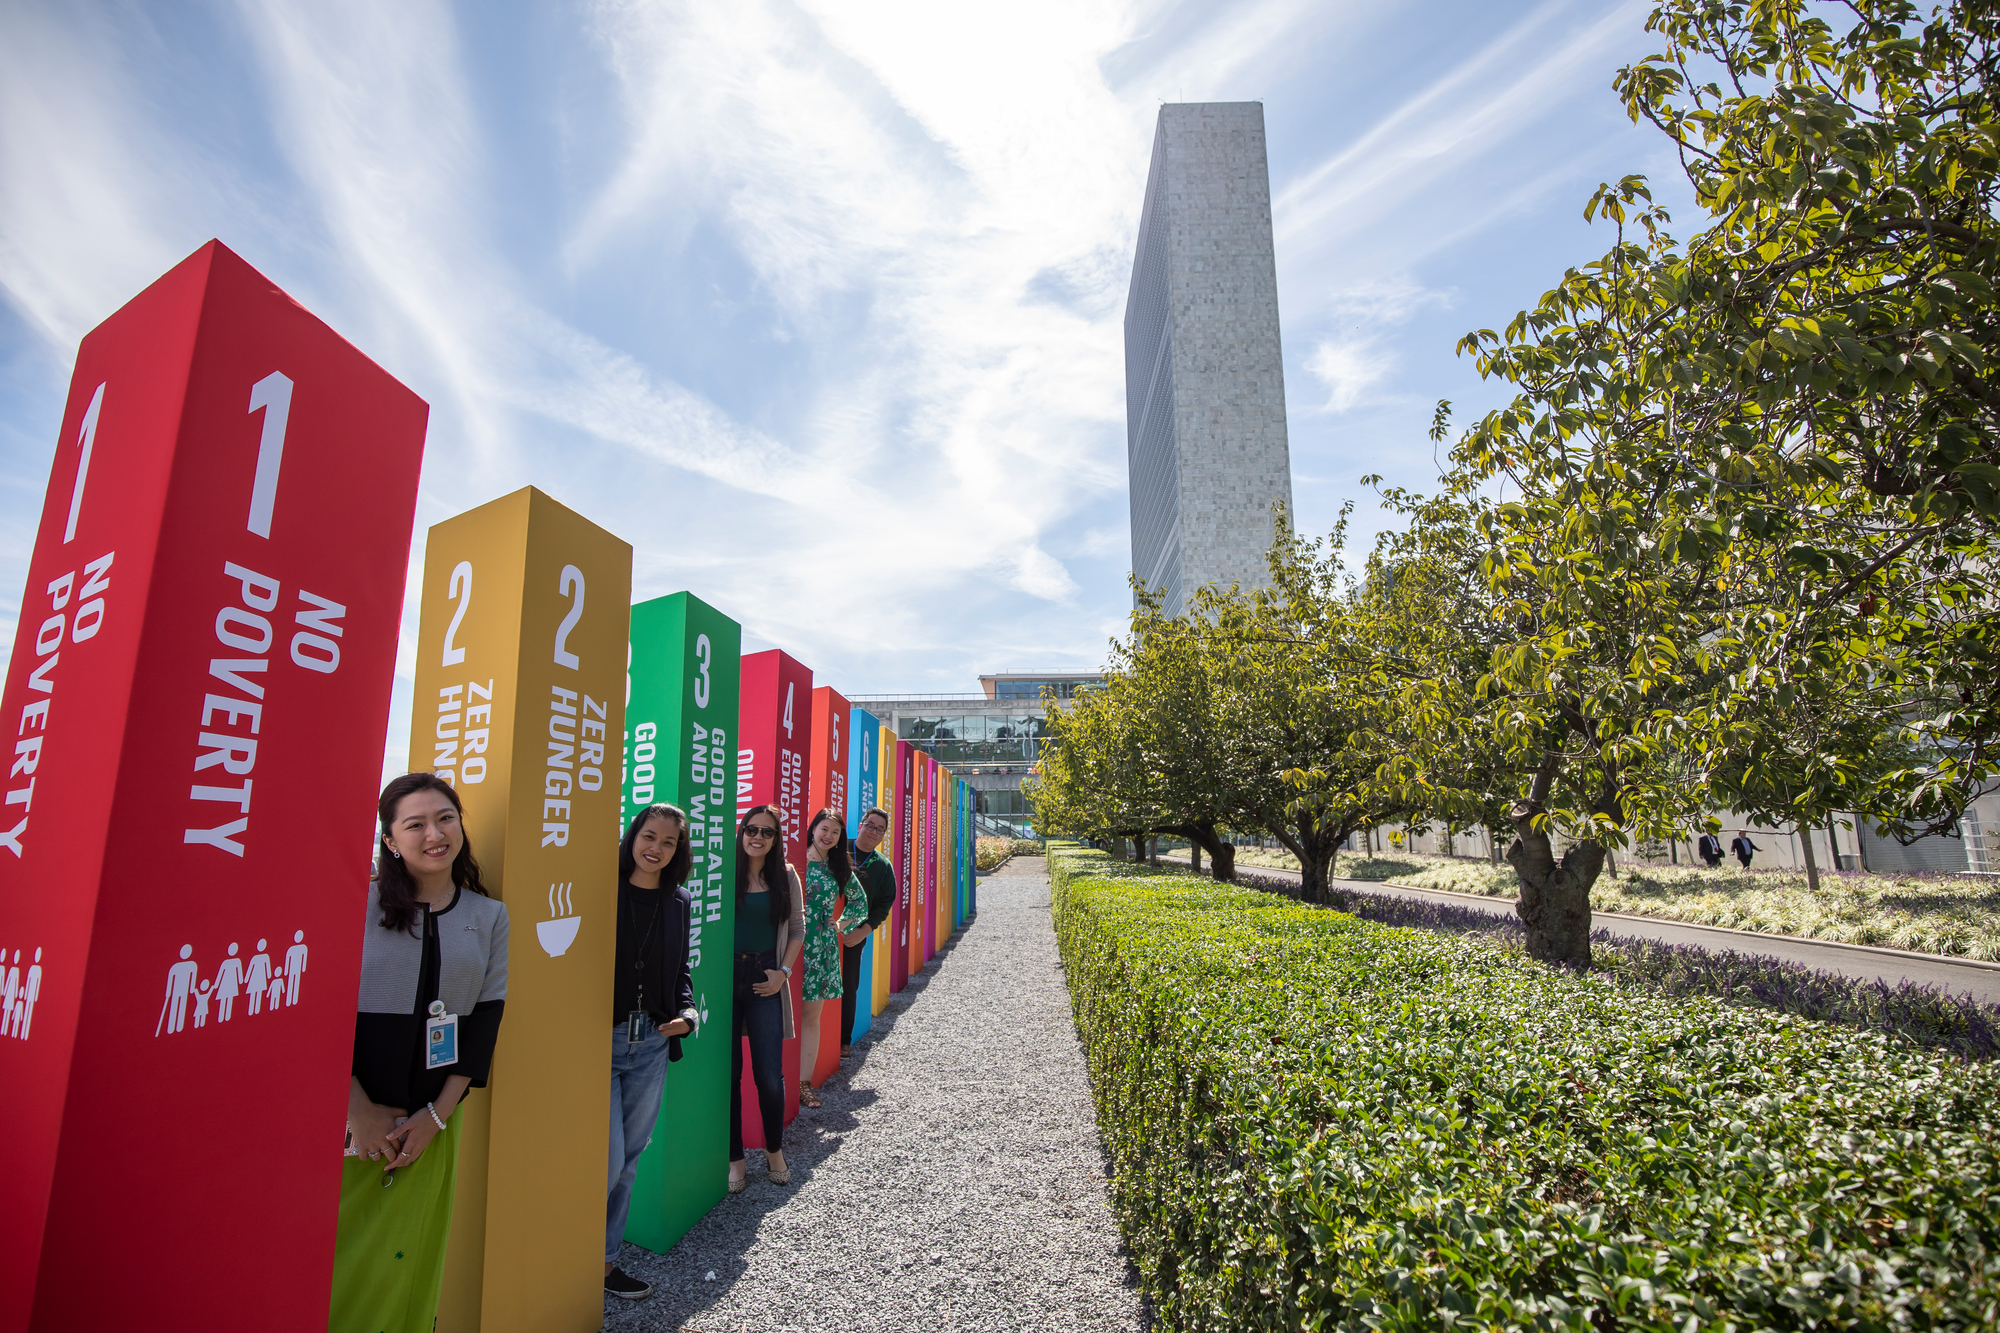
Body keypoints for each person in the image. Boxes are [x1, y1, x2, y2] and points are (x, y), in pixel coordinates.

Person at [334, 773, 508, 1333]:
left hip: (432, 1124)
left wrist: (437, 1118)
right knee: (340, 1260)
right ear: (389, 840)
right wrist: (357, 1111)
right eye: (415, 824)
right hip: (348, 1124)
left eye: (446, 818)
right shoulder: (350, 905)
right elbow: (320, 1022)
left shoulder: (489, 917)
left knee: (411, 1260)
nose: (434, 834)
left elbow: (485, 1022)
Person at [603, 804, 700, 1302]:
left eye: (668, 842)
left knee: (630, 1159)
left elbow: (682, 971)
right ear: (633, 835)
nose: (655, 848)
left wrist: (689, 1014)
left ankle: (604, 1262)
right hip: (599, 1040)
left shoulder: (680, 901)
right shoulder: (603, 887)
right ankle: (566, 1253)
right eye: (649, 835)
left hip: (654, 1043)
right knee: (608, 1159)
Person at [729, 804, 804, 1193]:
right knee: (728, 1075)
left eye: (767, 832)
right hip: (724, 978)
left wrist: (783, 974)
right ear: (741, 832)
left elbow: (797, 927)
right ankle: (735, 1158)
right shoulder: (725, 871)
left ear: (777, 840)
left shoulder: (785, 875)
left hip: (765, 978)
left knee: (769, 1077)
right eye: (751, 829)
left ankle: (774, 1150)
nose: (757, 837)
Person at [798, 808, 871, 1106]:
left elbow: (860, 903)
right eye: (824, 829)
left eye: (835, 832)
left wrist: (841, 923)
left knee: (810, 1017)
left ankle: (803, 1083)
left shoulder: (838, 867)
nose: (828, 836)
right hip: (790, 943)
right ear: (813, 828)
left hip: (821, 947)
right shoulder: (794, 859)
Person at [838, 807, 897, 1057]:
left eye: (879, 829)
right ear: (861, 824)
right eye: (870, 825)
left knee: (848, 985)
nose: (873, 832)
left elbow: (883, 905)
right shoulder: (838, 849)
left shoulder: (883, 866)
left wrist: (863, 932)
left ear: (884, 834)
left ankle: (843, 1041)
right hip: (823, 931)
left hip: (853, 936)